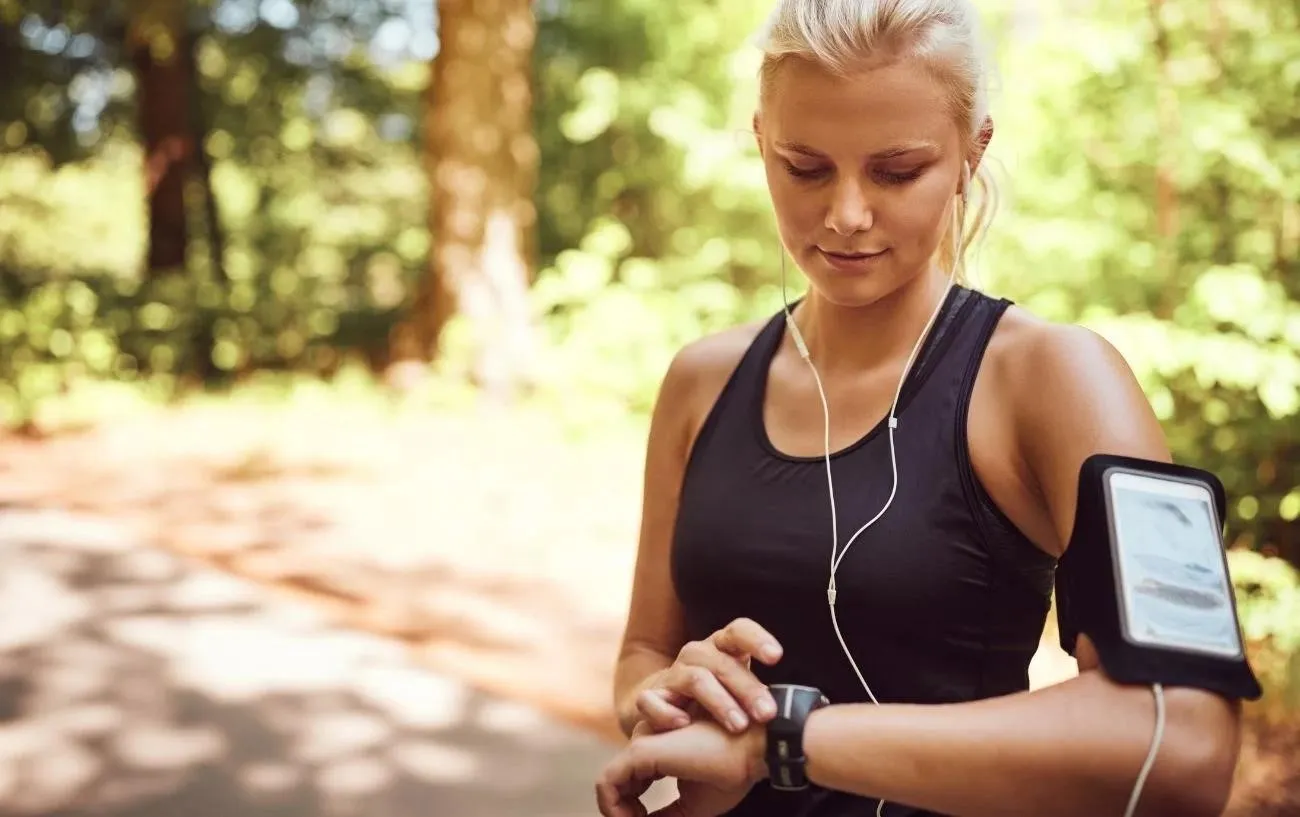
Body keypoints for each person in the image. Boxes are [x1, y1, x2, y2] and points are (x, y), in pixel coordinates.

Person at [595, 1, 1243, 816]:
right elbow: (643, 652)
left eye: (897, 170)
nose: (847, 214)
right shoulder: (701, 379)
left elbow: (1185, 742)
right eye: (805, 167)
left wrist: (781, 742)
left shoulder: (1057, 377)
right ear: (761, 139)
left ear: (974, 150)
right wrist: (664, 700)